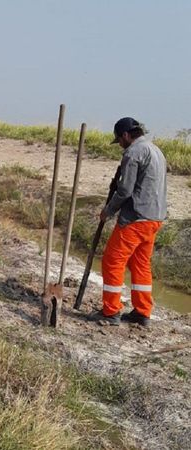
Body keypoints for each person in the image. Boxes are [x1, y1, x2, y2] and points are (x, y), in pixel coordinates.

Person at [94, 117, 167, 327]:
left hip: (136, 218)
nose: (120, 145)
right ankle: (143, 312)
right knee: (140, 264)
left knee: (112, 261)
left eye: (119, 140)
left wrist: (108, 210)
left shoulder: (133, 152)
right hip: (154, 217)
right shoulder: (156, 150)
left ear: (126, 135)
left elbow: (125, 189)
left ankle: (110, 312)